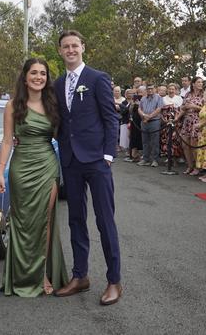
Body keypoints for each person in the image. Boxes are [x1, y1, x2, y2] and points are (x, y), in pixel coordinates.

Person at [52, 30, 122, 306]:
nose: (70, 50)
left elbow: (111, 118)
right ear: (60, 51)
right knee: (75, 220)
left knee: (105, 221)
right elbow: (59, 120)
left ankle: (114, 280)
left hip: (96, 161)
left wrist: (107, 155)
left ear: (83, 47)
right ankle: (80, 276)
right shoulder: (58, 84)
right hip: (70, 161)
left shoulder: (97, 78)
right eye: (65, 46)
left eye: (74, 45)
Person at [0, 58, 69, 297]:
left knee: (45, 222)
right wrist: (0, 173)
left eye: (43, 74)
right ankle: (20, 276)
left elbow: (65, 134)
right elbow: (7, 140)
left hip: (47, 166)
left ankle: (43, 276)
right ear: (25, 77)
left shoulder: (53, 104)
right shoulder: (12, 106)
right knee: (23, 223)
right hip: (21, 168)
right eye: (34, 73)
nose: (39, 77)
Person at [177, 76, 204, 175]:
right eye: (198, 82)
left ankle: (198, 167)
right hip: (187, 121)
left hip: (197, 122)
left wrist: (194, 106)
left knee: (194, 145)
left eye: (201, 82)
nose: (200, 84)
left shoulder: (204, 95)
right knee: (185, 145)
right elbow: (182, 107)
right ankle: (190, 166)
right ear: (193, 84)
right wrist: (185, 107)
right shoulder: (188, 94)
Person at [138, 84, 164, 167]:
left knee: (154, 141)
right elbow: (139, 108)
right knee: (145, 141)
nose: (150, 90)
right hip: (144, 122)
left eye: (151, 89)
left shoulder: (159, 98)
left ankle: (155, 160)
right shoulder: (143, 98)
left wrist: (149, 117)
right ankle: (145, 159)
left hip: (154, 121)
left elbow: (158, 109)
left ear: (155, 89)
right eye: (148, 89)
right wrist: (143, 115)